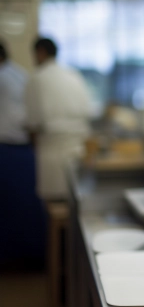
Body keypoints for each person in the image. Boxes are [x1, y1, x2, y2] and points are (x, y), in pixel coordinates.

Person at [25, 37, 93, 200]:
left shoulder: (37, 78)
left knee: (53, 202)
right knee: (74, 200)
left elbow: (32, 122)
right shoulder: (73, 75)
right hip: (78, 146)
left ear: (40, 53)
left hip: (51, 148)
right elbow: (87, 111)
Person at [0, 40, 46, 269]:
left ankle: (11, 260)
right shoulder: (20, 73)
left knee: (8, 209)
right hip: (26, 150)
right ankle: (30, 258)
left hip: (7, 151)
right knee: (25, 209)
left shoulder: (3, 77)